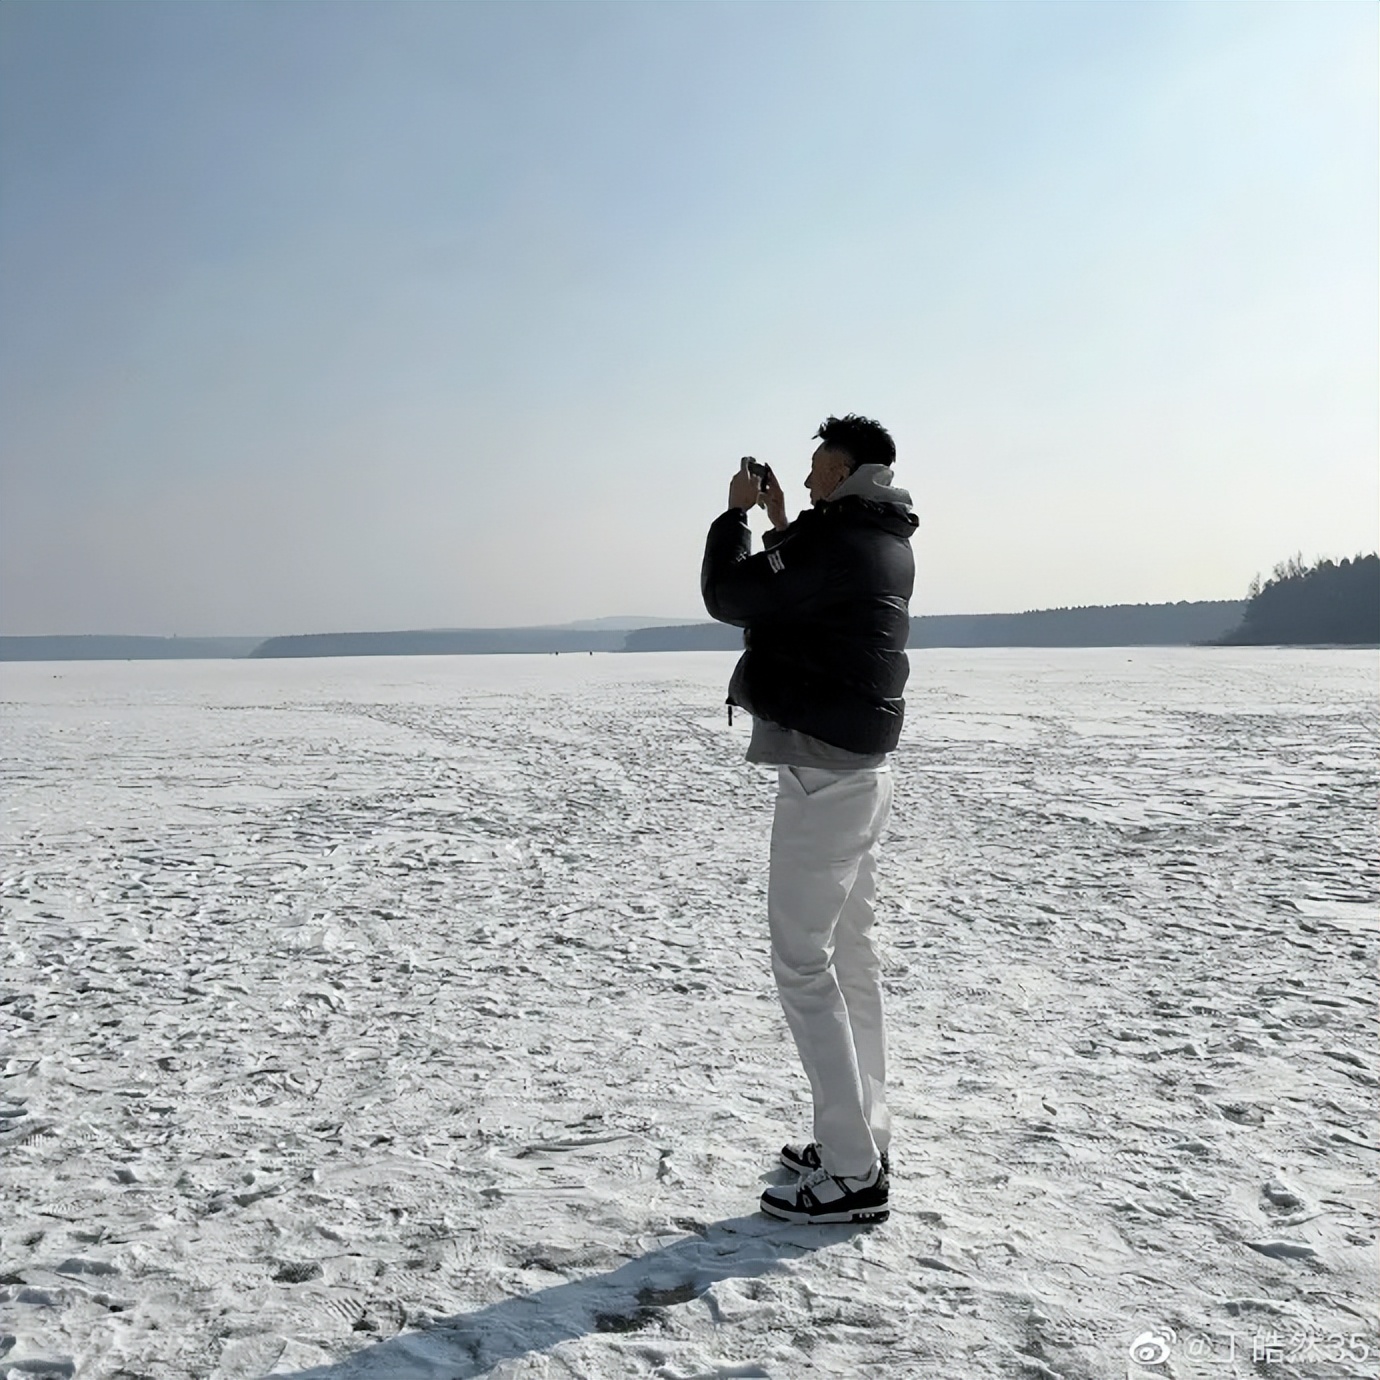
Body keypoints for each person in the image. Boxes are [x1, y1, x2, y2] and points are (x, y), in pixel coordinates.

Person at [700, 414, 916, 1225]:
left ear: (849, 468)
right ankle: (863, 1135)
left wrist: (735, 517)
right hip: (861, 769)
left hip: (826, 777)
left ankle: (854, 1173)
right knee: (850, 960)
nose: (808, 473)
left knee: (802, 964)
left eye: (819, 463)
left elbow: (731, 595)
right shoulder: (881, 535)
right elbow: (811, 591)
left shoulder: (839, 540)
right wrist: (786, 522)